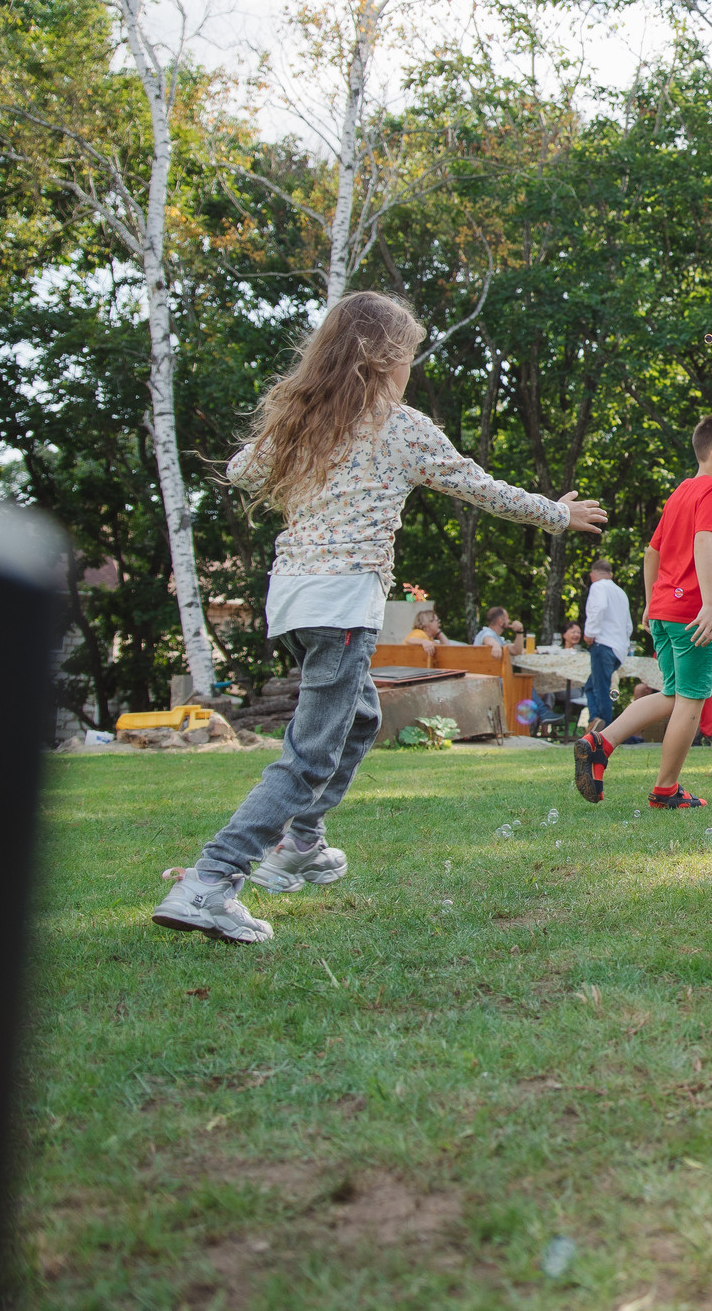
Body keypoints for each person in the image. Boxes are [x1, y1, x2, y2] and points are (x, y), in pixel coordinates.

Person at [153, 291, 605, 944]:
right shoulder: (398, 425)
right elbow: (476, 485)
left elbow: (240, 470)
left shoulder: (307, 418)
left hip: (295, 603)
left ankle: (304, 840)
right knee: (308, 757)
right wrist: (558, 513)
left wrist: (298, 453)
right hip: (340, 605)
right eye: (409, 359)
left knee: (361, 715)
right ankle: (212, 880)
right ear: (385, 358)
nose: (409, 373)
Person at [571, 416, 712, 809]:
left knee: (671, 694)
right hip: (694, 613)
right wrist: (710, 603)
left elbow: (651, 553)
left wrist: (652, 606)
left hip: (666, 612)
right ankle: (665, 790)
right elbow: (704, 542)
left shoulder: (681, 492)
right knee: (691, 700)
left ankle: (599, 743)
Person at [579, 559, 633, 728]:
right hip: (619, 648)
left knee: (601, 689)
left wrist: (590, 632)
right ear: (611, 574)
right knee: (590, 686)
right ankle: (595, 720)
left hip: (603, 644)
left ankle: (606, 731)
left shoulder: (598, 587)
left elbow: (599, 608)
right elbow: (629, 624)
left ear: (592, 575)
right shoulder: (620, 592)